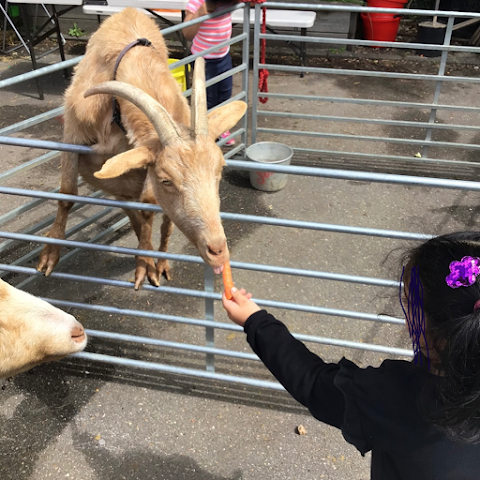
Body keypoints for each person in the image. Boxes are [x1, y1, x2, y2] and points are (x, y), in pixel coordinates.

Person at [222, 231, 480, 480]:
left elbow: (312, 382)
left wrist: (255, 321)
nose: (406, 322)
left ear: (441, 338)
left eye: (410, 307)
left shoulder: (397, 398)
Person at [183, 0, 237, 145]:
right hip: (204, 58)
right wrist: (200, 13)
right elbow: (187, 33)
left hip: (223, 55)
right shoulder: (198, 2)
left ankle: (220, 127)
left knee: (225, 93)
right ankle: (207, 133)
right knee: (209, 98)